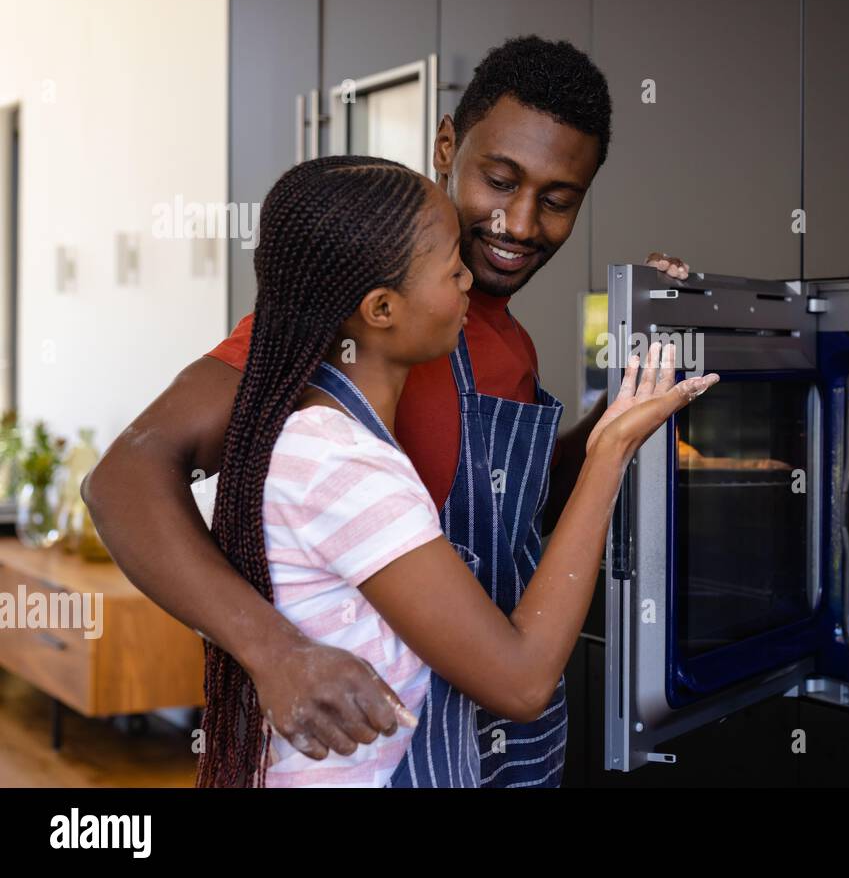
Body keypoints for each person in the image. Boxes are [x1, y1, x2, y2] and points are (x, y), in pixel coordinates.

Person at [83, 36, 693, 787]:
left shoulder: (510, 345)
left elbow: (521, 517)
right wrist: (272, 648)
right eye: (500, 180)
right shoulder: (339, 333)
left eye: (558, 200)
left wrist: (618, 413)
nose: (520, 223)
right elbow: (123, 478)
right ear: (447, 145)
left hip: (492, 740)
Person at [195, 154, 713, 786]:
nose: (470, 278)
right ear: (382, 310)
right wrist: (611, 453)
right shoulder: (342, 465)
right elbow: (522, 683)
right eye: (452, 269)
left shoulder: (322, 432)